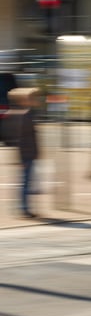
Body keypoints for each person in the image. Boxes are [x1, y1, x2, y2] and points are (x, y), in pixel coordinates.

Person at [5, 88, 40, 218]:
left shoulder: (26, 113)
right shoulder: (24, 115)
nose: (34, 100)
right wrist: (21, 159)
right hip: (27, 155)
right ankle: (24, 209)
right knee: (25, 183)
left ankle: (23, 208)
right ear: (24, 100)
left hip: (29, 154)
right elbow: (19, 139)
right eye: (31, 98)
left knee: (27, 182)